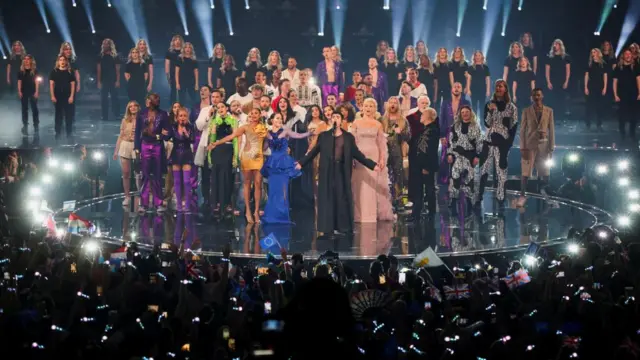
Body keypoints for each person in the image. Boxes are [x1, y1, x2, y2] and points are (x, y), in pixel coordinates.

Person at [295, 112, 381, 235]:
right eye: (333, 117)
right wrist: (301, 163)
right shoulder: (324, 136)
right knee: (327, 197)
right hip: (327, 170)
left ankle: (343, 227)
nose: (335, 119)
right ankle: (327, 227)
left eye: (338, 117)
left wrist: (372, 165)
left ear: (341, 120)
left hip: (342, 170)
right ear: (330, 120)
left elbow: (357, 154)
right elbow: (314, 152)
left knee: (341, 196)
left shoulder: (348, 137)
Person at [208, 108, 267, 223]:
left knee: (258, 184)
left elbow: (269, 139)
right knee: (246, 183)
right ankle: (248, 211)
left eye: (256, 113)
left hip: (258, 158)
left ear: (260, 115)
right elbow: (231, 136)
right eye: (252, 113)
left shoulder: (264, 128)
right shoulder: (244, 127)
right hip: (247, 157)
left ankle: (256, 211)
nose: (254, 115)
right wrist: (217, 143)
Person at [350, 98, 394, 223]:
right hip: (359, 156)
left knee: (373, 184)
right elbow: (352, 142)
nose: (368, 108)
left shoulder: (378, 124)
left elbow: (381, 144)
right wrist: (352, 158)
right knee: (359, 184)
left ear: (375, 109)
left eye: (371, 106)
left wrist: (381, 159)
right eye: (366, 106)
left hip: (373, 155)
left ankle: (372, 214)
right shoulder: (356, 123)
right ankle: (359, 214)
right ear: (362, 108)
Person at [261, 113, 310, 224]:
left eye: (281, 118)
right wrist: (261, 137)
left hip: (283, 163)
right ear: (272, 120)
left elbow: (298, 136)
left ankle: (282, 217)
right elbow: (264, 148)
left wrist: (310, 133)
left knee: (283, 191)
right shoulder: (267, 133)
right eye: (277, 118)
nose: (280, 120)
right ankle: (271, 216)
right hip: (273, 164)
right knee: (273, 191)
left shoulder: (285, 131)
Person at [478, 80, 518, 206]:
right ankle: (479, 196)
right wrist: (491, 111)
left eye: (501, 86)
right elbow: (487, 124)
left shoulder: (512, 107)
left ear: (506, 89)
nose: (498, 88)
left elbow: (514, 127)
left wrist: (508, 144)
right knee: (483, 169)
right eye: (496, 86)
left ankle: (501, 197)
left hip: (503, 143)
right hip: (489, 141)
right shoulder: (489, 104)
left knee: (501, 170)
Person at [134, 93, 170, 212]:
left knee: (157, 174)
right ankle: (143, 204)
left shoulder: (163, 114)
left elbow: (168, 132)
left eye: (157, 99)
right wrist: (137, 148)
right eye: (153, 99)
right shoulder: (142, 114)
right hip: (144, 145)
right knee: (145, 175)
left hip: (157, 146)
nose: (156, 101)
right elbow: (137, 133)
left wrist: (161, 136)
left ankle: (158, 202)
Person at [519, 88, 555, 206]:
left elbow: (552, 130)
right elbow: (522, 130)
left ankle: (546, 195)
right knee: (526, 171)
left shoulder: (549, 111)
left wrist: (551, 147)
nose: (537, 97)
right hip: (529, 144)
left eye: (539, 95)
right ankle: (522, 195)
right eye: (534, 95)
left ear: (542, 96)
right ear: (532, 97)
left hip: (544, 144)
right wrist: (522, 147)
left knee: (545, 171)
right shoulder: (526, 111)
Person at [447, 105, 482, 213]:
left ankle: (469, 202)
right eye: (463, 112)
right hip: (456, 155)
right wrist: (449, 154)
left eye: (467, 112)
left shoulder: (475, 126)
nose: (465, 114)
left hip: (469, 156)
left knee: (469, 180)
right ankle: (453, 200)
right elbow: (451, 141)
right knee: (454, 178)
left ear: (470, 113)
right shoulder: (455, 126)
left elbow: (479, 142)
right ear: (460, 114)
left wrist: (477, 156)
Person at [408, 107, 439, 221]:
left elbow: (430, 150)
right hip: (420, 165)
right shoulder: (424, 130)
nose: (421, 116)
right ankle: (416, 214)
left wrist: (426, 167)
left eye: (423, 114)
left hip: (426, 166)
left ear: (429, 117)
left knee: (429, 189)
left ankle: (431, 213)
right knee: (419, 190)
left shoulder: (433, 131)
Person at [207, 102, 238, 216]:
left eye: (222, 107)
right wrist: (210, 155)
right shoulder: (214, 121)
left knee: (226, 176)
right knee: (216, 176)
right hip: (217, 151)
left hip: (228, 150)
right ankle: (216, 203)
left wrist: (236, 155)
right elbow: (212, 139)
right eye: (218, 107)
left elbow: (235, 139)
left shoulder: (233, 121)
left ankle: (226, 203)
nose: (220, 109)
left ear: (226, 108)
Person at [195, 89, 223, 210]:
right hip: (207, 145)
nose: (215, 99)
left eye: (217, 97)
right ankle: (206, 198)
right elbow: (199, 126)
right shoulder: (205, 110)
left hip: (220, 146)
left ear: (221, 98)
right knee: (205, 173)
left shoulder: (224, 109)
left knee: (218, 174)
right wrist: (208, 116)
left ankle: (217, 199)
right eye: (213, 97)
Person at [381, 96, 410, 208]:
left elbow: (408, 136)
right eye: (391, 102)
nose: (393, 105)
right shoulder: (382, 120)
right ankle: (386, 202)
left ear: (398, 105)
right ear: (387, 105)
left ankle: (402, 202)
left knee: (400, 177)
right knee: (386, 177)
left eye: (395, 103)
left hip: (398, 152)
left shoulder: (403, 120)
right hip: (384, 152)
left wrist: (400, 133)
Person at [438, 82, 470, 185]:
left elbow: (469, 119)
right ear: (451, 89)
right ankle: (446, 180)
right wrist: (442, 135)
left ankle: (460, 179)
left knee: (460, 156)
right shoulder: (445, 103)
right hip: (447, 133)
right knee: (445, 157)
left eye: (458, 87)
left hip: (461, 133)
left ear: (461, 90)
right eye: (454, 87)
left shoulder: (466, 103)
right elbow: (442, 119)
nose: (456, 88)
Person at [113, 101, 140, 207]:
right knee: (126, 173)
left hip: (137, 145)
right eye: (130, 106)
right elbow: (121, 135)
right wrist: (116, 151)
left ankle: (141, 195)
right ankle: (127, 196)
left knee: (139, 173)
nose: (133, 108)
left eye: (135, 106)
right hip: (125, 145)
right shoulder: (125, 120)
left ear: (138, 107)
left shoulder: (142, 119)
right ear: (128, 109)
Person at [169, 107, 195, 212]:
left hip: (186, 154)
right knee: (177, 181)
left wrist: (186, 134)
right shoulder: (173, 127)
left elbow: (192, 140)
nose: (183, 118)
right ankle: (179, 205)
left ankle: (187, 204)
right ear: (177, 117)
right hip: (176, 154)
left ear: (187, 117)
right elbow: (167, 137)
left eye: (184, 116)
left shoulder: (190, 126)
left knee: (187, 181)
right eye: (181, 116)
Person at [612, 49, 640, 141]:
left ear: (631, 56)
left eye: (629, 54)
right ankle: (622, 133)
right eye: (626, 54)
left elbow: (638, 80)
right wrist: (615, 94)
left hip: (633, 93)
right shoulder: (618, 67)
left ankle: (632, 133)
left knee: (634, 115)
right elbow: (615, 82)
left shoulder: (635, 66)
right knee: (622, 115)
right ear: (623, 56)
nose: (628, 55)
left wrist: (639, 92)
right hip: (622, 94)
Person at [49, 55, 76, 141]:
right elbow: (51, 84)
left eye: (64, 60)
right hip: (58, 95)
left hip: (67, 95)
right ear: (58, 61)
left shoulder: (70, 72)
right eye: (60, 60)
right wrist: (52, 95)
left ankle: (69, 132)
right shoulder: (54, 72)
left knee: (69, 115)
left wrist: (71, 96)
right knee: (58, 115)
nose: (62, 61)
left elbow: (73, 85)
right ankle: (58, 132)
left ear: (66, 61)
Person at [545, 39, 571, 122]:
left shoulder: (566, 57)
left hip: (562, 80)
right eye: (554, 44)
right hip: (553, 80)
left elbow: (568, 70)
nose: (555, 45)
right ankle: (553, 118)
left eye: (557, 44)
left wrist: (566, 81)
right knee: (553, 99)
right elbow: (547, 71)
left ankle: (561, 117)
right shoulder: (550, 57)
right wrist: (548, 82)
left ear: (560, 45)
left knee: (562, 99)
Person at [97, 38, 121, 122]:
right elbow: (99, 69)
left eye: (107, 44)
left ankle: (117, 114)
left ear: (110, 45)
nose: (105, 45)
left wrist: (118, 80)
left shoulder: (115, 56)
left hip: (113, 79)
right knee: (104, 98)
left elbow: (118, 70)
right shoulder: (100, 56)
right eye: (104, 44)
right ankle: (104, 116)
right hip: (104, 80)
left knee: (115, 97)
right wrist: (99, 81)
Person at [584, 48, 608, 131]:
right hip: (591, 86)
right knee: (589, 106)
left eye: (594, 52)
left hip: (600, 86)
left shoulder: (603, 64)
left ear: (598, 53)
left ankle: (599, 123)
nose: (593, 54)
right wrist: (585, 87)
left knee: (599, 106)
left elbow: (605, 76)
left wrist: (605, 87)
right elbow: (586, 76)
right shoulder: (589, 64)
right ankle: (588, 123)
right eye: (592, 52)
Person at [17, 54, 39, 136]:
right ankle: (25, 126)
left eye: (28, 59)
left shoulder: (35, 71)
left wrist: (37, 91)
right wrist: (19, 91)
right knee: (24, 109)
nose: (26, 60)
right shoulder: (21, 71)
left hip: (33, 91)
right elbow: (19, 82)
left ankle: (36, 126)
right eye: (25, 59)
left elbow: (37, 81)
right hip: (24, 91)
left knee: (34, 109)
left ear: (31, 60)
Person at [467, 50, 491, 118]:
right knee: (474, 106)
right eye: (476, 55)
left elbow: (488, 80)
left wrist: (488, 90)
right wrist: (468, 89)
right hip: (473, 89)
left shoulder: (485, 67)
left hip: (482, 89)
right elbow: (469, 79)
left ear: (482, 57)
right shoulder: (471, 67)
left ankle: (482, 124)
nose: (477, 57)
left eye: (479, 55)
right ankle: (474, 122)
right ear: (474, 57)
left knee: (482, 106)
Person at [165, 35, 184, 104]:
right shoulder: (169, 52)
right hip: (172, 73)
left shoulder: (184, 51)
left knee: (182, 91)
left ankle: (182, 106)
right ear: (173, 42)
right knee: (173, 90)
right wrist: (167, 76)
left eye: (179, 39)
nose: (177, 41)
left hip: (183, 73)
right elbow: (167, 64)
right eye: (176, 40)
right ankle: (172, 107)